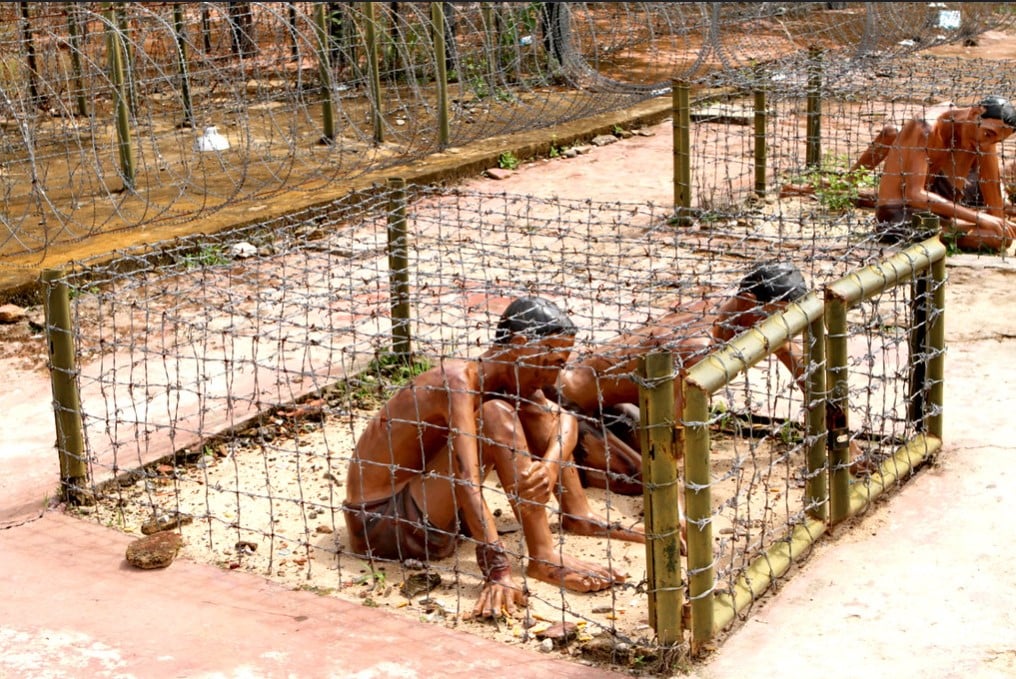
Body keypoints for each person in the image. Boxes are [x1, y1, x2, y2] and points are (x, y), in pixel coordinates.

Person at [343, 296, 643, 620]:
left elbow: (565, 420)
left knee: (533, 412)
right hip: (385, 525)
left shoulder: (509, 377)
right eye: (553, 362)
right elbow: (465, 478)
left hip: (431, 507)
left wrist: (550, 465)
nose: (552, 377)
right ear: (520, 345)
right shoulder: (459, 382)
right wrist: (497, 569)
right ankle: (543, 556)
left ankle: (579, 515)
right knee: (496, 415)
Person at [554, 262, 810, 496]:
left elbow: (798, 363)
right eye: (781, 317)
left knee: (643, 447)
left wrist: (829, 424)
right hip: (565, 401)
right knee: (641, 478)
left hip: (613, 403)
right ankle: (550, 453)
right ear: (748, 301)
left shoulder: (732, 308)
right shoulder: (699, 350)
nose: (785, 328)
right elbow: (672, 441)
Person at [850, 96, 1016, 251]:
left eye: (996, 140)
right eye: (988, 134)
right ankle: (852, 192)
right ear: (975, 112)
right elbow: (914, 195)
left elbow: (996, 210)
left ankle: (952, 226)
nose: (987, 144)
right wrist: (979, 218)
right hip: (899, 215)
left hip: (939, 212)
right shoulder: (927, 128)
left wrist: (998, 222)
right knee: (997, 238)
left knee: (1001, 233)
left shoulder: (982, 136)